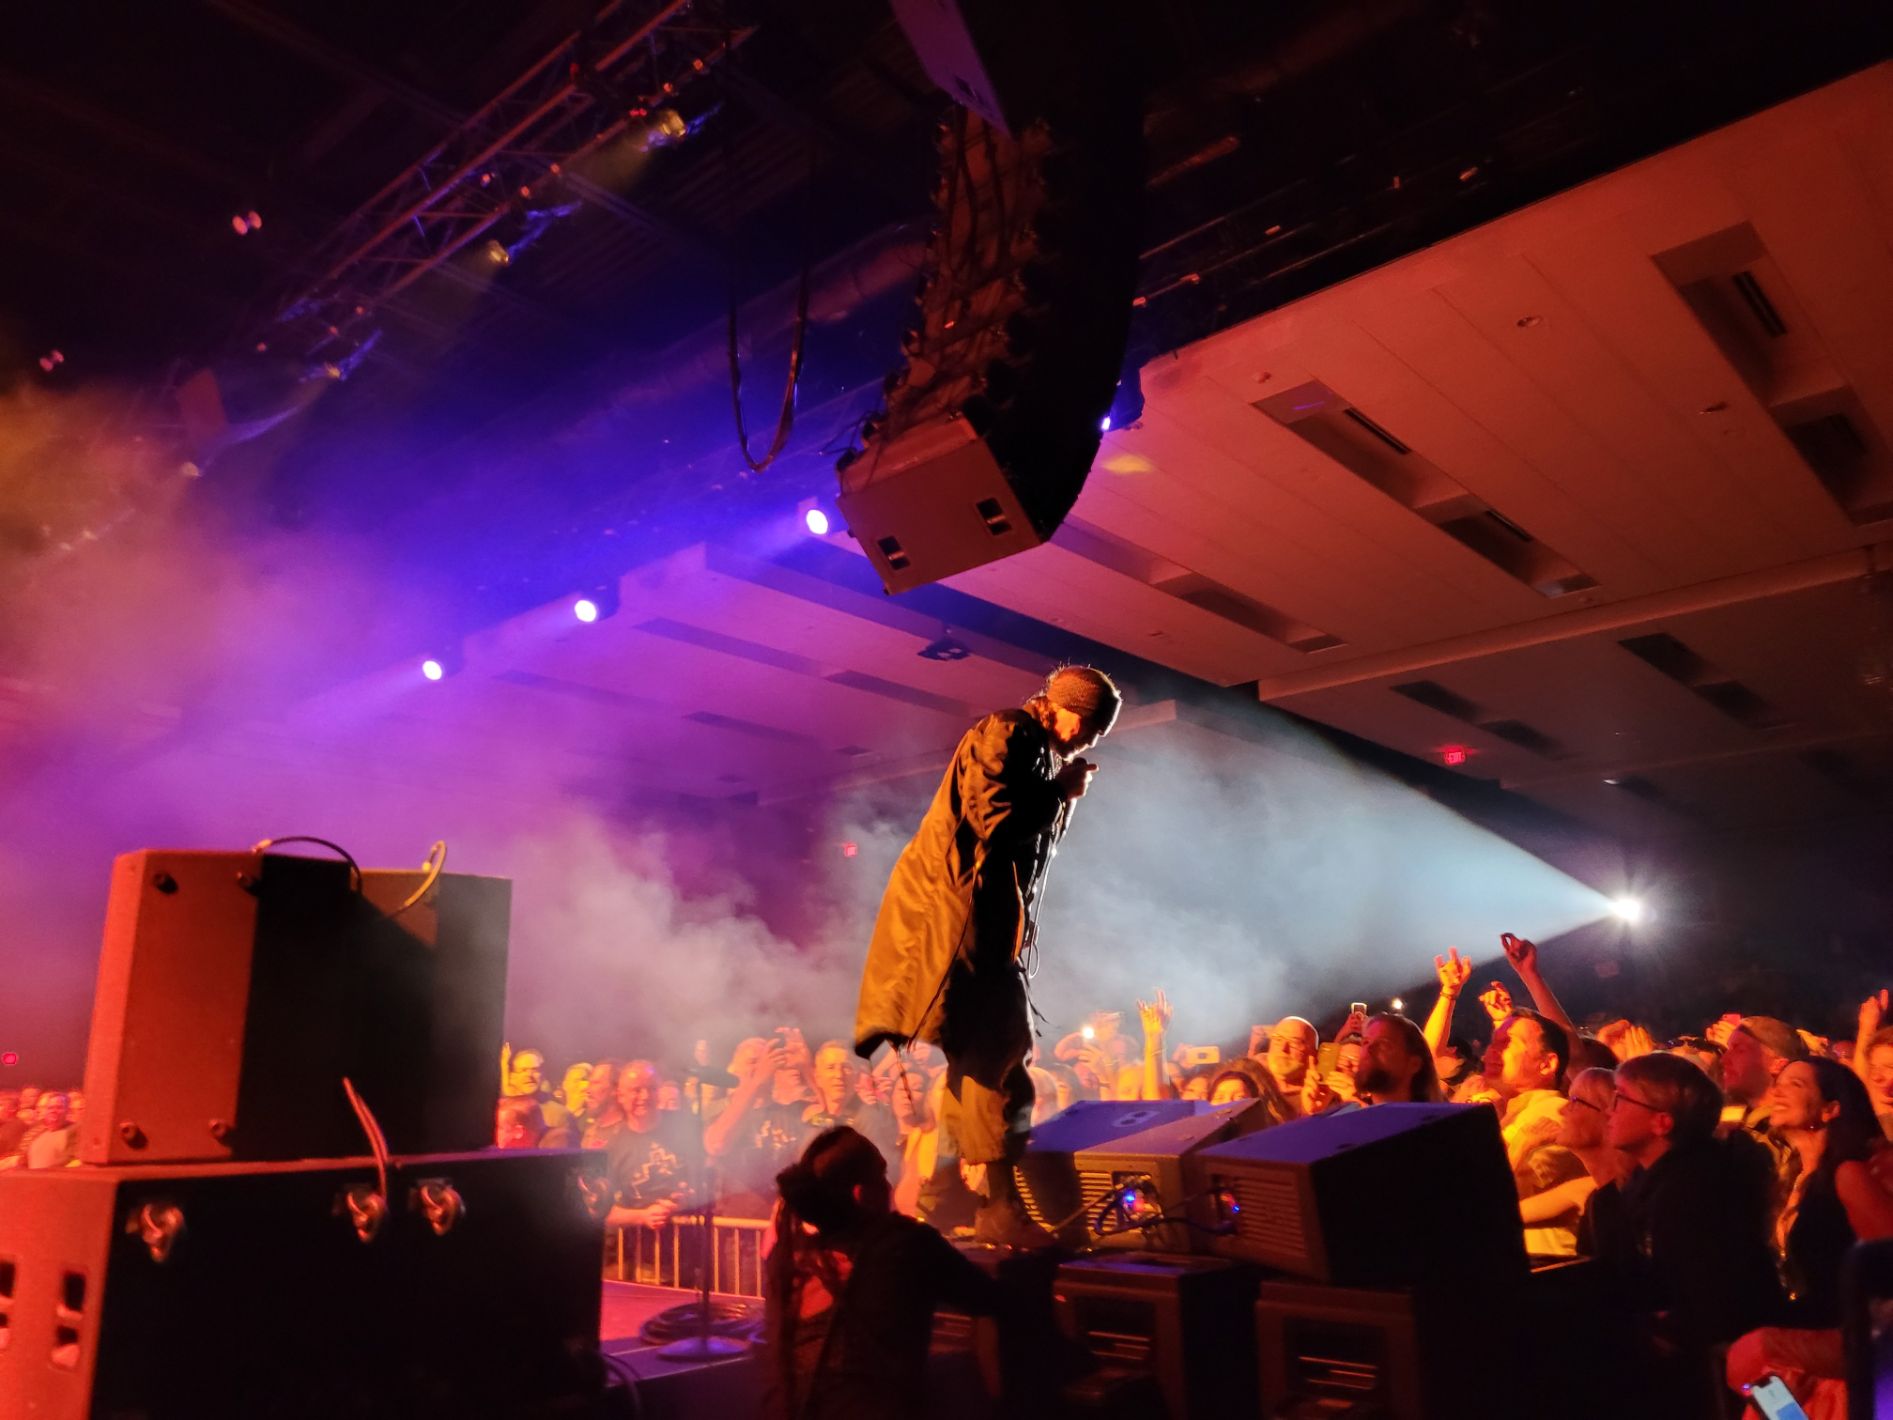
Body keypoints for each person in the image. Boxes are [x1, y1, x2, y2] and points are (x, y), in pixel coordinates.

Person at [853, 665, 1121, 1246]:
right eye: (1093, 722)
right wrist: (1060, 793)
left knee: (976, 1060)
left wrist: (1058, 795)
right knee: (997, 1051)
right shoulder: (1010, 731)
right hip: (958, 918)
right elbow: (995, 820)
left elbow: (1021, 838)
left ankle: (948, 1200)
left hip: (971, 919)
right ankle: (996, 1205)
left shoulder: (1030, 746)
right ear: (1063, 706)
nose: (1094, 737)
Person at [1580, 1053, 1779, 1416]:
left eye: (1621, 1099)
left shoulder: (1691, 1190)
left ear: (1661, 1122)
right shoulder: (1652, 1183)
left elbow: (1711, 1303)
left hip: (1740, 1374)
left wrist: (1664, 1327)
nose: (1610, 1111)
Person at [764, 1127, 1003, 1420]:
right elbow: (988, 1298)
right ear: (862, 1193)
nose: (890, 1187)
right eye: (883, 1176)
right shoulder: (906, 1243)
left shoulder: (787, 1256)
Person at [1485, 1008, 1584, 1256]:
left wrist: (1521, 1144)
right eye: (1493, 1042)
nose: (1492, 1051)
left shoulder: (1554, 1113)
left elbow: (1489, 1196)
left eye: (1507, 1043)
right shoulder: (1513, 1114)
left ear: (1546, 1064)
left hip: (1544, 1266)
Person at [1518, 1067, 1627, 1235]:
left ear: (1610, 1116)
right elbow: (1497, 1215)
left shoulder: (1634, 1197)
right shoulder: (1586, 1189)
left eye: (1575, 1101)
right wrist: (1522, 1146)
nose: (1561, 1110)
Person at [602, 1061, 694, 1233]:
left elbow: (708, 1180)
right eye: (636, 1090)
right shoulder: (613, 1147)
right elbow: (600, 1211)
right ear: (620, 1096)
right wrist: (642, 1216)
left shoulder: (684, 1128)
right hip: (640, 1253)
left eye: (651, 1088)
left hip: (690, 1247)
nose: (645, 1096)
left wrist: (687, 1199)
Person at [1356, 1013, 1443, 1105]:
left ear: (1414, 1064)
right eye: (1366, 1042)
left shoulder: (1443, 1118)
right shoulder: (1350, 1116)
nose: (1369, 1048)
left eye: (1383, 1044)